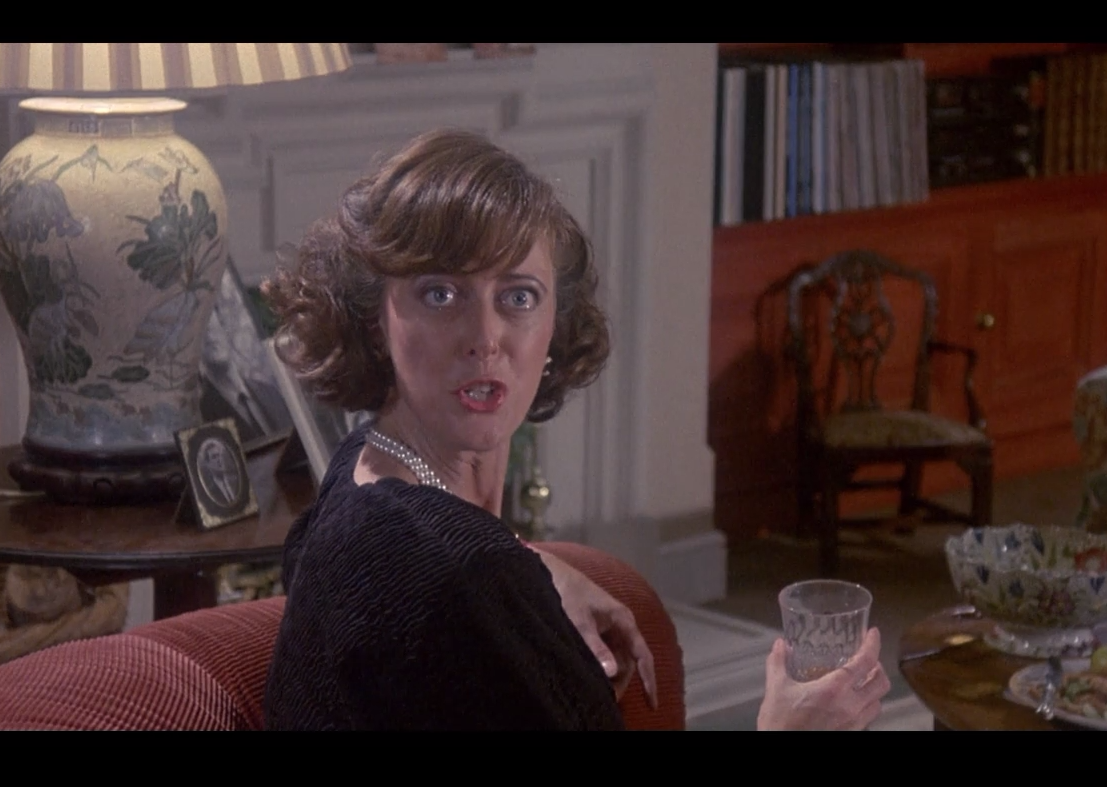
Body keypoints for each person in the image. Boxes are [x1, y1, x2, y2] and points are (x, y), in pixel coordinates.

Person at [260, 128, 890, 730]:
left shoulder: (360, 471)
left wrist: (527, 563)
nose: (485, 338)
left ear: (555, 328)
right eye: (441, 295)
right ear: (375, 320)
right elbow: (444, 582)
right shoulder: (463, 578)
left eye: (518, 297)